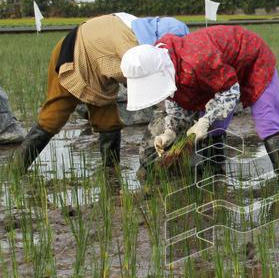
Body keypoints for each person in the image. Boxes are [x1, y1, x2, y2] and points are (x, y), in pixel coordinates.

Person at [13, 13, 189, 173]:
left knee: (108, 122)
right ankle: (15, 170)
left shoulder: (139, 31)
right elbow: (152, 89)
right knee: (54, 116)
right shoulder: (132, 48)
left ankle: (111, 172)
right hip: (73, 54)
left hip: (100, 68)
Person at [121, 25, 279, 179]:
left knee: (267, 122)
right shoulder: (169, 68)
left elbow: (230, 91)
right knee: (214, 127)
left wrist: (205, 120)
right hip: (220, 73)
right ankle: (216, 175)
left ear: (159, 72)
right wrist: (170, 132)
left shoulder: (195, 62)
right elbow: (177, 102)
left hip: (253, 59)